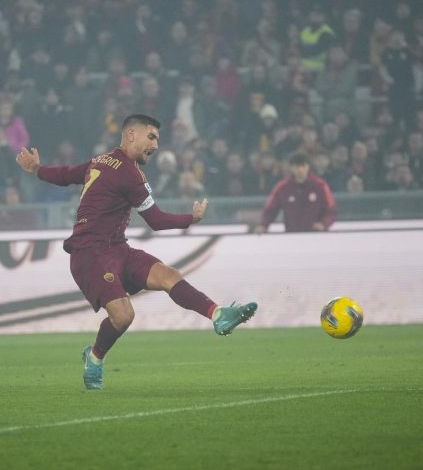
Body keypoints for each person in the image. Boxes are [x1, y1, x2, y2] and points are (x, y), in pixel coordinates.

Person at [15, 114, 257, 390]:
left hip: (117, 248)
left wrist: (38, 169)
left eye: (157, 139)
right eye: (151, 137)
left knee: (168, 275)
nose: (155, 145)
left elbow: (67, 174)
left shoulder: (101, 160)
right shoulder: (129, 173)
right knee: (124, 316)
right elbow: (155, 220)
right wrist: (190, 219)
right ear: (132, 134)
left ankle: (218, 314)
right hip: (89, 253)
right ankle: (94, 359)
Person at [254, 151, 336, 234]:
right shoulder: (282, 187)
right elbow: (270, 209)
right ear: (291, 168)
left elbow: (330, 210)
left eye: (303, 166)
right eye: (296, 167)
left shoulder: (320, 186)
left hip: (316, 235)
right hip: (292, 236)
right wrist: (263, 225)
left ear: (308, 167)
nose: (300, 170)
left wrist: (323, 224)